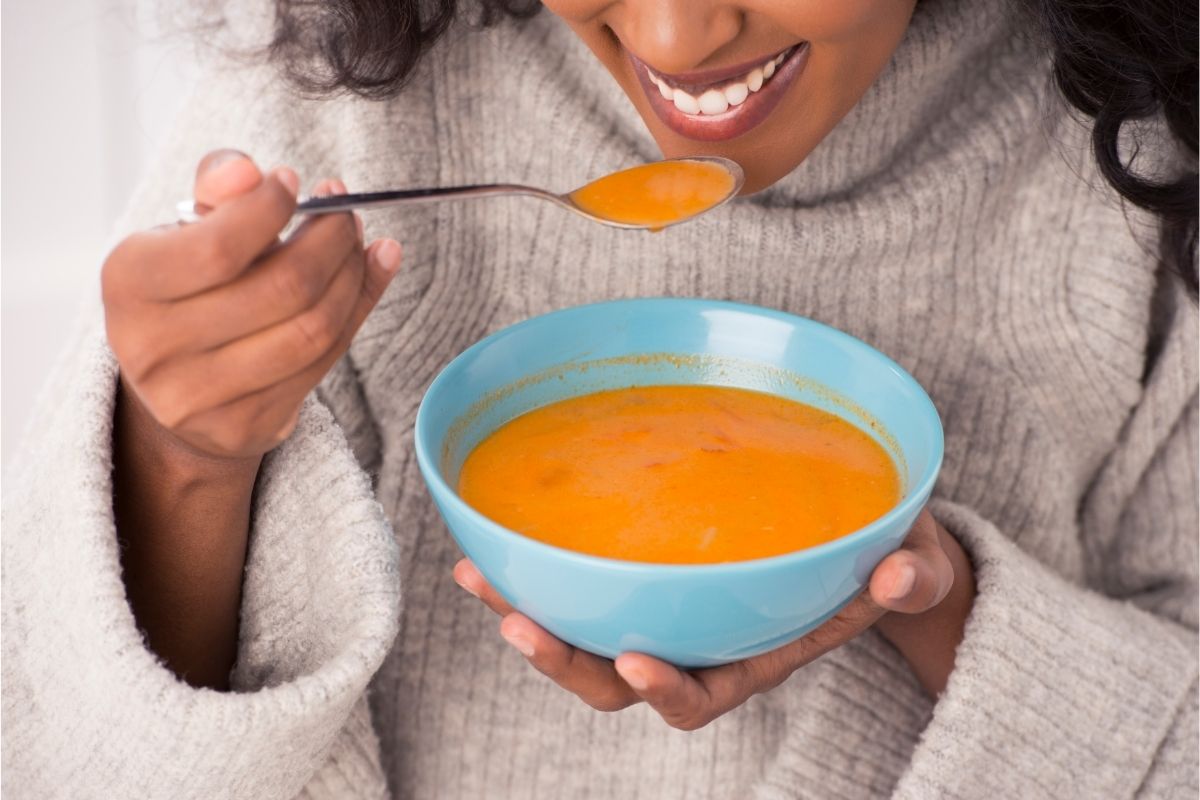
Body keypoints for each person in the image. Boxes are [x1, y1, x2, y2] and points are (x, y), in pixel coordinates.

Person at [3, 0, 1196, 796]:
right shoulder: (335, 101)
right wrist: (184, 455)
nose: (677, 35)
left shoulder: (1147, 146)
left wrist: (929, 592)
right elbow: (72, 752)